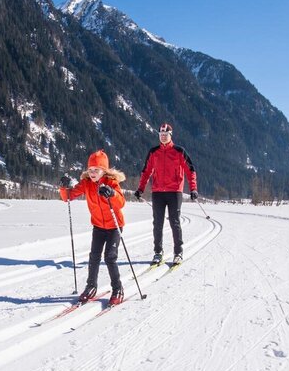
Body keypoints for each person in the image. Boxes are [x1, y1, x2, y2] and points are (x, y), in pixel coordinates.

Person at [60, 150, 127, 305]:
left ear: (104, 171)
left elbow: (121, 203)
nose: (92, 173)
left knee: (110, 257)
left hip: (114, 225)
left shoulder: (111, 183)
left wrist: (111, 193)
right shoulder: (86, 183)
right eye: (90, 170)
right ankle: (91, 286)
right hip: (98, 226)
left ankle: (118, 288)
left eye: (96, 170)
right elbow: (68, 197)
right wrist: (64, 187)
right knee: (94, 256)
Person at [134, 123, 198, 266]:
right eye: (161, 134)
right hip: (157, 192)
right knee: (157, 223)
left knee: (174, 222)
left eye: (165, 134)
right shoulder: (153, 152)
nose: (163, 136)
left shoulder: (179, 151)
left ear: (170, 135)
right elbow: (146, 172)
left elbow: (191, 170)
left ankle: (178, 252)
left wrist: (193, 189)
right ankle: (158, 252)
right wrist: (140, 189)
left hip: (174, 191)